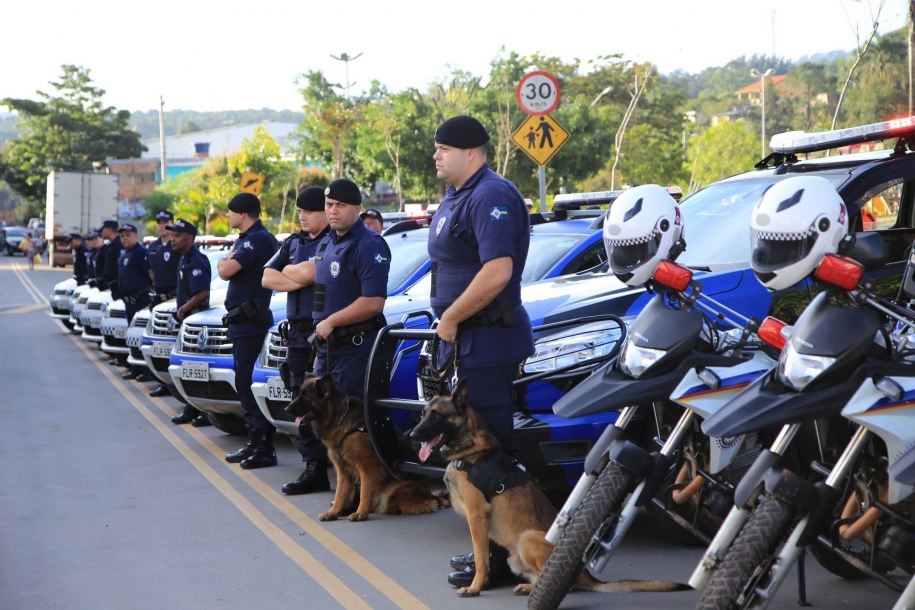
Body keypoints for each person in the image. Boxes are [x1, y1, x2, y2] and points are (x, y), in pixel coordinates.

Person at [426, 115, 534, 588]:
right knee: (476, 457)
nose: (435, 156)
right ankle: (487, 550)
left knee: (491, 455)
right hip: (467, 340)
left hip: (488, 338)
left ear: (470, 152)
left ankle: (495, 559)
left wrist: (450, 317)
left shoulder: (491, 195)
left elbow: (497, 272)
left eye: (442, 149)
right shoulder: (458, 196)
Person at [282, 179, 390, 412]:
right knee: (320, 424)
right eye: (329, 204)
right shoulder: (328, 241)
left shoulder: (369, 244)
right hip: (326, 348)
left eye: (340, 205)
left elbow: (374, 302)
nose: (333, 210)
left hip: (354, 349)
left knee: (346, 423)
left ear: (357, 208)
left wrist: (331, 322)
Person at [262, 187, 332, 495]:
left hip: (324, 330)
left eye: (308, 210)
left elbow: (311, 273)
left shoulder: (333, 240)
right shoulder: (292, 242)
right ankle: (314, 467)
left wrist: (293, 275)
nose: (301, 215)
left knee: (332, 400)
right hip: (296, 332)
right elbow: (267, 277)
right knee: (300, 400)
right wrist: (297, 275)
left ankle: (341, 465)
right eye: (299, 210)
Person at [218, 193, 279, 469]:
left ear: (242, 214)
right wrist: (224, 263)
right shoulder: (245, 238)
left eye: (230, 212)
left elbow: (225, 270)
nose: (228, 216)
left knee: (247, 381)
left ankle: (265, 446)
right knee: (243, 383)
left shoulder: (258, 239)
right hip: (240, 323)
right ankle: (255, 440)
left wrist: (223, 263)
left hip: (251, 323)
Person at [166, 219, 213, 427]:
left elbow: (202, 293)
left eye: (177, 236)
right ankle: (192, 408)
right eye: (172, 235)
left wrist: (183, 310)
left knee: (197, 369)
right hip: (186, 322)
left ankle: (203, 411)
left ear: (190, 238)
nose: (172, 239)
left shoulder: (197, 260)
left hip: (195, 322)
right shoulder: (184, 259)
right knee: (189, 368)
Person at [147, 210, 180, 394]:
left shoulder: (176, 245)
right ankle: (164, 382)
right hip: (159, 301)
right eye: (158, 222)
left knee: (174, 344)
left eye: (165, 222)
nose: (161, 225)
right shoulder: (154, 247)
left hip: (175, 300)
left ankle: (176, 386)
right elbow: (150, 270)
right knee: (161, 345)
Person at [116, 224, 151, 381]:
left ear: (136, 236)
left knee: (141, 336)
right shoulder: (124, 253)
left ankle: (146, 370)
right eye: (122, 236)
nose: (124, 238)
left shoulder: (141, 253)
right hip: (128, 301)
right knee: (132, 336)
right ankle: (135, 367)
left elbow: (149, 276)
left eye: (128, 235)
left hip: (140, 300)